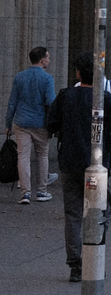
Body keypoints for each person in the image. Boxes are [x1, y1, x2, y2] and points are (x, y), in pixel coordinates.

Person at [47, 52, 111, 278]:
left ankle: (75, 264)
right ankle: (95, 257)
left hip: (69, 162)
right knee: (100, 210)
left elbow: (51, 122)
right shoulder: (102, 97)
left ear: (77, 73)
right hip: (97, 165)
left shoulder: (65, 96)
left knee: (73, 213)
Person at [5, 45, 56, 204]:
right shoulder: (47, 79)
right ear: (42, 60)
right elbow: (51, 103)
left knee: (23, 157)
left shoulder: (20, 77)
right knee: (42, 155)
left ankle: (25, 193)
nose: (49, 59)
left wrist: (8, 124)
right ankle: (42, 191)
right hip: (40, 123)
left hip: (21, 122)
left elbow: (12, 102)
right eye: (47, 57)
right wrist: (54, 124)